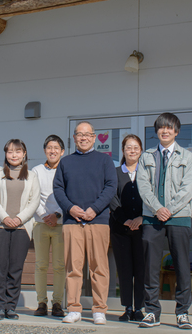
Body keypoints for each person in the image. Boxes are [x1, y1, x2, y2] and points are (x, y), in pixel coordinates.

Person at [53, 121, 118, 325]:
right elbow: (58, 189)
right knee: (73, 267)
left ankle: (99, 309)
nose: (83, 138)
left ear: (94, 137)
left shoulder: (105, 161)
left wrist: (94, 209)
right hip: (72, 221)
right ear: (74, 138)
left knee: (99, 267)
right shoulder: (65, 162)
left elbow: (111, 187)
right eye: (79, 134)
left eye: (87, 134)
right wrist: (70, 208)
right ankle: (73, 308)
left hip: (98, 220)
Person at [136, 113, 192, 329]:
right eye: (161, 127)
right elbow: (143, 186)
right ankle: (152, 311)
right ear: (156, 131)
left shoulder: (187, 156)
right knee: (151, 266)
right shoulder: (147, 156)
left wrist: (168, 210)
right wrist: (157, 208)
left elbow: (188, 188)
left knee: (181, 265)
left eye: (169, 128)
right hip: (152, 218)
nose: (165, 131)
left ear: (176, 131)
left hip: (178, 218)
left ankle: (182, 313)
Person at [0, 139, 40, 321]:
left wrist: (18, 219)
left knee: (15, 268)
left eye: (17, 151)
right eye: (10, 152)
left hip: (21, 228)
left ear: (24, 154)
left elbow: (34, 201)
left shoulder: (31, 176)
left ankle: (11, 307)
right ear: (5, 154)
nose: (14, 155)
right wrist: (5, 218)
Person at [110, 134, 145, 322]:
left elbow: (150, 197)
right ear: (123, 151)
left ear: (141, 150)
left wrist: (140, 218)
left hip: (143, 228)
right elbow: (112, 198)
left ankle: (140, 307)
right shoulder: (115, 173)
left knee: (141, 269)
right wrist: (124, 220)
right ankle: (128, 307)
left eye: (135, 147)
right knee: (124, 269)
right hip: (120, 230)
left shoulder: (147, 172)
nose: (132, 150)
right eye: (128, 147)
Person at [31, 135, 66, 317]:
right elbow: (33, 196)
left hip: (61, 224)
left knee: (60, 265)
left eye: (56, 148)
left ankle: (58, 303)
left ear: (62, 151)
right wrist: (45, 216)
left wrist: (57, 214)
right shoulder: (36, 171)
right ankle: (41, 303)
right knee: (41, 265)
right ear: (45, 150)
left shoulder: (67, 169)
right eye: (49, 147)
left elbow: (69, 196)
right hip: (41, 223)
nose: (52, 151)